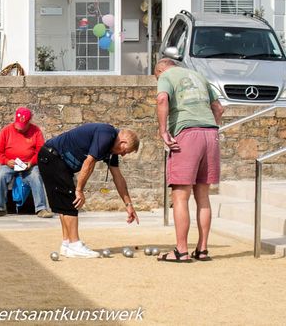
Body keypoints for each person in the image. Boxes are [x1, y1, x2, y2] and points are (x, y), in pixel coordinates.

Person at [154, 58, 224, 263]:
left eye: (156, 77)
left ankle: (181, 251)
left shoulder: (166, 76)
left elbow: (162, 100)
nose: (158, 80)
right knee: (203, 195)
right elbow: (218, 108)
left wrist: (163, 131)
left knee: (180, 195)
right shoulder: (200, 76)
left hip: (187, 134)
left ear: (160, 70)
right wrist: (212, 127)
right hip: (210, 134)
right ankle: (202, 250)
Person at [37, 123, 140, 258]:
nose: (123, 155)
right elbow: (89, 162)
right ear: (123, 142)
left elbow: (118, 177)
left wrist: (129, 205)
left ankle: (67, 244)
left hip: (54, 158)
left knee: (64, 202)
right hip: (52, 156)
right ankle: (75, 244)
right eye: (125, 151)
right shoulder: (107, 134)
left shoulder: (110, 149)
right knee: (71, 199)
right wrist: (79, 190)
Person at [0, 107, 53, 218]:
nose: (20, 129)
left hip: (29, 165)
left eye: (23, 126)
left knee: (36, 176)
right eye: (18, 125)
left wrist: (31, 162)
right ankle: (0, 208)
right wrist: (7, 161)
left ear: (29, 122)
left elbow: (40, 151)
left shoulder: (36, 131)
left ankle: (41, 209)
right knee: (1, 176)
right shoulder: (6, 130)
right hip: (10, 164)